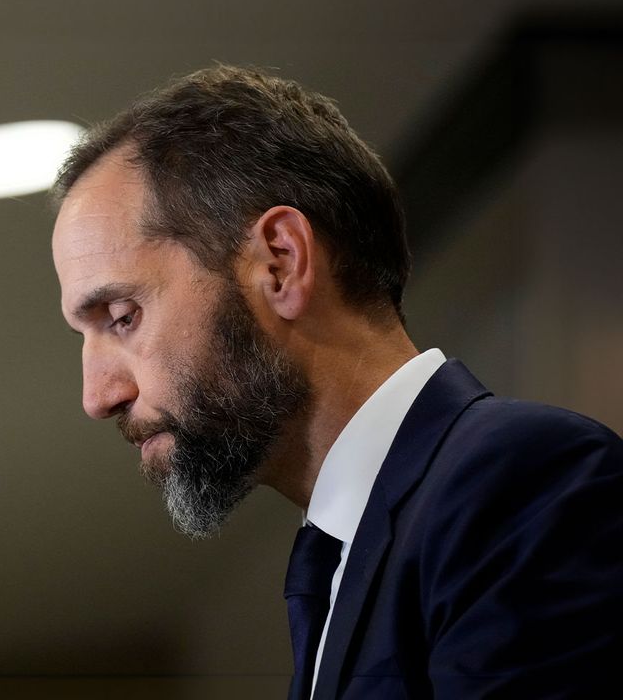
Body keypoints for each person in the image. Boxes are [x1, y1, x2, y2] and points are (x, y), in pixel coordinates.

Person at [49, 65, 623, 699]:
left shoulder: (522, 482)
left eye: (123, 317)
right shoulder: (340, 562)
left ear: (281, 263)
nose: (97, 396)